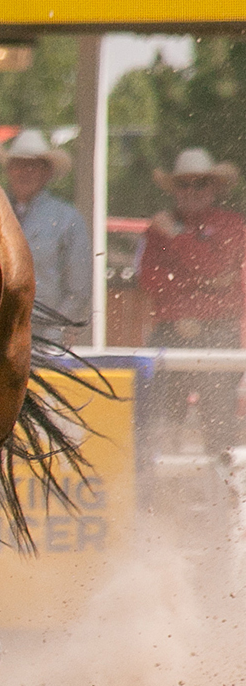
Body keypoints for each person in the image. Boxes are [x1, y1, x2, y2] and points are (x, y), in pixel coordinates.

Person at [137, 147, 246, 458]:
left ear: (213, 188)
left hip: (215, 332)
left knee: (218, 421)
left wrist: (176, 238)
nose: (190, 192)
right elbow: (151, 280)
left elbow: (215, 268)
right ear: (175, 189)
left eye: (199, 184)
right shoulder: (161, 230)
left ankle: (220, 499)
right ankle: (163, 494)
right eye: (183, 184)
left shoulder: (230, 225)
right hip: (174, 330)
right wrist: (205, 285)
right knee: (162, 421)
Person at [0, 128, 91, 343]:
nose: (25, 171)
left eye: (33, 165)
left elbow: (79, 289)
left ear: (47, 172)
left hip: (45, 332)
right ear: (9, 169)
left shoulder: (67, 219)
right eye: (19, 164)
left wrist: (55, 331)